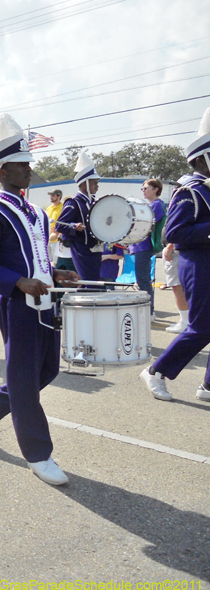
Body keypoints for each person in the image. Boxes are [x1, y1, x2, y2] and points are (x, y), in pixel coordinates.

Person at [0, 114, 79, 486]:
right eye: (21, 164)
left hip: (45, 303)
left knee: (47, 371)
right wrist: (17, 282)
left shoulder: (37, 214)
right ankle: (38, 453)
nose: (29, 169)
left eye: (28, 163)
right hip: (18, 305)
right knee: (24, 379)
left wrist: (55, 275)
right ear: (1, 171)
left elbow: (37, 258)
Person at [140, 107, 210, 402]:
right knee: (202, 327)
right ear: (202, 158)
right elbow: (174, 232)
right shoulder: (190, 190)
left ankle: (208, 386)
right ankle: (156, 371)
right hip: (198, 262)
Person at [55, 150, 103, 281]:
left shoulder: (93, 202)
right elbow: (60, 225)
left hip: (95, 249)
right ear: (84, 183)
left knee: (95, 282)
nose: (97, 186)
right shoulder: (74, 202)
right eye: (94, 183)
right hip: (82, 249)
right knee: (89, 283)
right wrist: (74, 226)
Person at [129, 179, 167, 321]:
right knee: (143, 280)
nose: (143, 191)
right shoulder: (153, 205)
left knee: (143, 281)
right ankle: (147, 310)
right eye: (142, 189)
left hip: (144, 247)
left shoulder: (156, 205)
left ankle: (148, 311)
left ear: (156, 189)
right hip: (141, 247)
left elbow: (146, 224)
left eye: (146, 188)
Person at [163, 240, 189, 333]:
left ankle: (185, 322)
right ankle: (186, 320)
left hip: (177, 249)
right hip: (183, 249)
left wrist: (170, 245)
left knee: (177, 286)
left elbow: (178, 232)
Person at [44, 189, 63, 265]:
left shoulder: (63, 208)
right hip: (47, 239)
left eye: (53, 195)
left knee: (55, 262)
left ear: (59, 197)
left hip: (57, 240)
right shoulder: (48, 208)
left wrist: (58, 231)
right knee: (47, 262)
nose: (51, 197)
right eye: (51, 195)